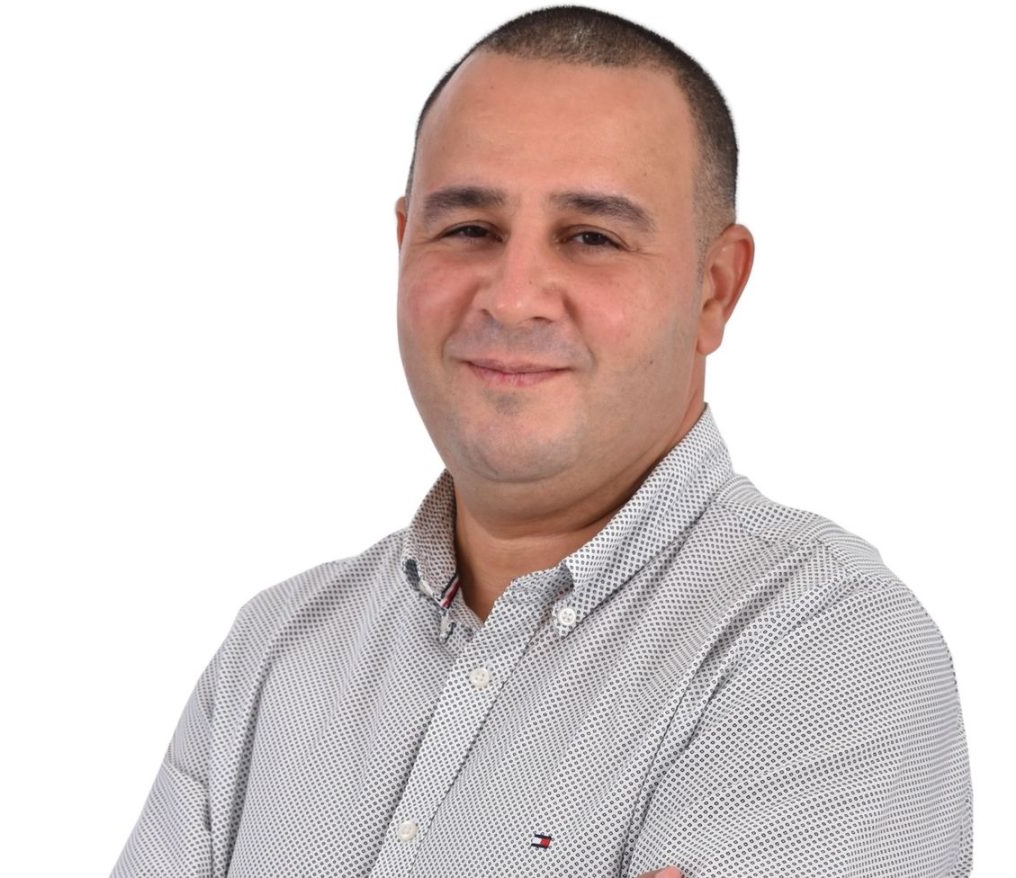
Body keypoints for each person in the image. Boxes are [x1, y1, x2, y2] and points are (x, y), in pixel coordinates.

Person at [111, 7, 972, 877]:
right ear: (403, 245)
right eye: (469, 230)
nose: (513, 296)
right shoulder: (271, 656)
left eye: (592, 237)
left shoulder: (832, 652)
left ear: (714, 290)